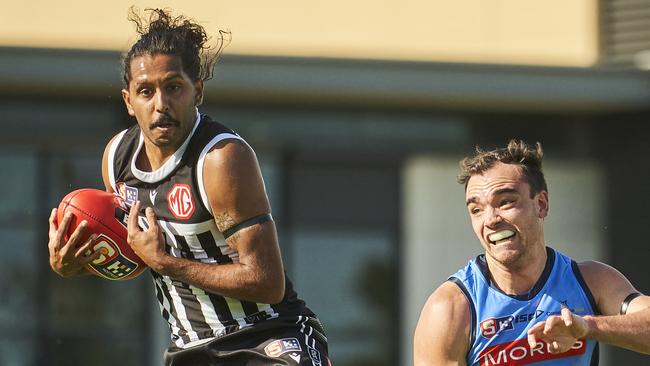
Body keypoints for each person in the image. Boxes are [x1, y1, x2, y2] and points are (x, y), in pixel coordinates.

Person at [47, 7, 330, 366]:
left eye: (174, 87)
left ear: (197, 91)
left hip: (266, 338)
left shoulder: (222, 158)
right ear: (128, 101)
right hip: (190, 350)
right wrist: (77, 264)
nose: (160, 104)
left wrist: (166, 262)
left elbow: (266, 281)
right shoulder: (116, 158)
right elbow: (135, 256)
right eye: (146, 91)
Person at [413, 140, 650, 365]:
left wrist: (588, 327)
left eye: (506, 202)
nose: (491, 220)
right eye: (476, 209)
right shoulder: (450, 308)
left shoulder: (590, 280)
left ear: (542, 204)